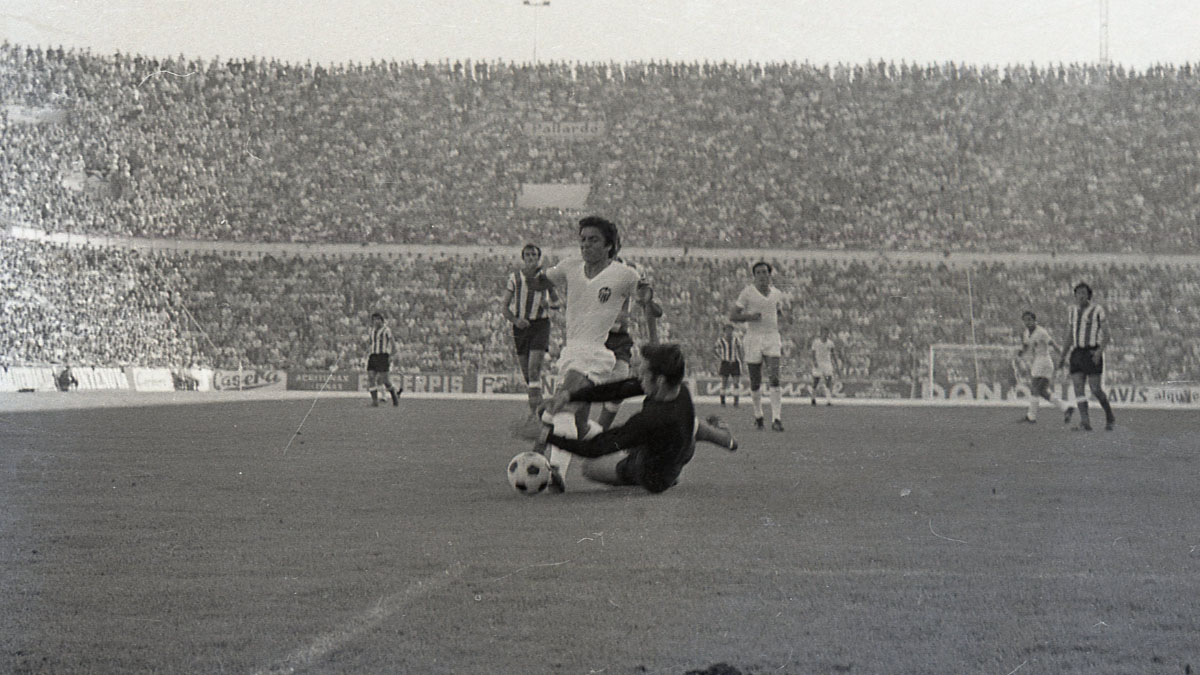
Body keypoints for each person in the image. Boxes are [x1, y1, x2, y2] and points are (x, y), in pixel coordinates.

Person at [526, 216, 643, 488]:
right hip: (572, 352)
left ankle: (555, 470)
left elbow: (647, 300)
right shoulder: (569, 267)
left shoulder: (625, 274)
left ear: (609, 246)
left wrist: (648, 308)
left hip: (597, 352)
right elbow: (538, 284)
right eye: (583, 239)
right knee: (577, 424)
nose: (586, 245)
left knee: (562, 406)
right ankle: (621, 450)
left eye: (593, 240)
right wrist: (533, 273)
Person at [537, 343, 737, 494]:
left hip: (652, 476)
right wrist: (570, 396)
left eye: (642, 373)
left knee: (589, 468)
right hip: (682, 448)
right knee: (691, 425)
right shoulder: (677, 389)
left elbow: (595, 448)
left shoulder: (651, 419)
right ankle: (724, 439)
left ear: (658, 380)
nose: (638, 377)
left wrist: (547, 435)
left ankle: (673, 474)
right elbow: (617, 389)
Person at [596, 257, 662, 430]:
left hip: (619, 340)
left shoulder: (633, 277)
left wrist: (647, 300)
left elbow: (655, 309)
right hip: (595, 336)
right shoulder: (597, 275)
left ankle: (599, 431)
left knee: (618, 389)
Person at [730, 261, 788, 431]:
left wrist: (782, 314)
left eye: (765, 272)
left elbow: (778, 311)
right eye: (759, 272)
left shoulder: (777, 294)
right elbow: (733, 315)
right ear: (754, 276)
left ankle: (776, 419)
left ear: (770, 275)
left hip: (772, 337)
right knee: (755, 381)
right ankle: (758, 415)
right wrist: (749, 317)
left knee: (775, 377)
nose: (763, 275)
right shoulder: (747, 293)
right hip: (753, 339)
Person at [500, 243, 556, 416]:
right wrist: (516, 321)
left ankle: (536, 416)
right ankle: (542, 411)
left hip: (540, 325)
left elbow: (558, 302)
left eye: (534, 255)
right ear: (523, 258)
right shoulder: (515, 277)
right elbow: (504, 307)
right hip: (521, 328)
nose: (531, 258)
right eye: (528, 255)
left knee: (533, 370)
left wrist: (549, 304)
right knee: (529, 377)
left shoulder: (545, 277)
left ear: (538, 258)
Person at [1057, 282, 1116, 431]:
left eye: (1083, 293)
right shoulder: (1072, 311)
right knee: (1078, 388)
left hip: (1092, 351)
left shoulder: (1097, 310)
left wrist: (1098, 352)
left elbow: (1107, 334)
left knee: (1095, 389)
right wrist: (1063, 356)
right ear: (1075, 295)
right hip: (1077, 353)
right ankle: (1085, 422)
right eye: (1078, 293)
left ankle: (1109, 415)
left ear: (1088, 295)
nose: (1080, 296)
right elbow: (1070, 335)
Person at [1017, 311, 1073, 424]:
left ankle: (1031, 417)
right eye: (1025, 320)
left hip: (1044, 361)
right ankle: (1066, 408)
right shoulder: (1026, 333)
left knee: (1035, 388)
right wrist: (1020, 353)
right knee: (1042, 391)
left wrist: (1063, 358)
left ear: (1034, 320)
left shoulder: (1041, 332)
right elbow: (1026, 346)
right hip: (1038, 361)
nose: (1027, 322)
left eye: (1029, 320)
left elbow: (1053, 345)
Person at [366, 312, 401, 407]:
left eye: (378, 319)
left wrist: (392, 356)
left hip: (383, 356)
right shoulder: (371, 330)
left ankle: (394, 395)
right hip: (373, 356)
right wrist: (367, 351)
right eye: (374, 320)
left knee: (385, 380)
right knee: (371, 377)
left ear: (381, 320)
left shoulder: (386, 330)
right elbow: (371, 343)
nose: (376, 321)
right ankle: (375, 401)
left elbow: (393, 344)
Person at [714, 323, 743, 407]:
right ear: (724, 331)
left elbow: (740, 350)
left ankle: (736, 402)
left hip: (735, 362)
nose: (729, 332)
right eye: (727, 330)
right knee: (724, 383)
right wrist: (719, 357)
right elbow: (715, 349)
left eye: (730, 330)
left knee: (736, 383)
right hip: (725, 362)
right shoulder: (721, 340)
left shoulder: (736, 340)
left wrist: (741, 360)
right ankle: (723, 402)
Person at [809, 326, 838, 406]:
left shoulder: (830, 343)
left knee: (828, 380)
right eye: (824, 333)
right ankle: (813, 398)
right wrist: (814, 362)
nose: (826, 334)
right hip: (818, 363)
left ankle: (828, 400)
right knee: (816, 381)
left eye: (827, 333)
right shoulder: (816, 342)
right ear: (821, 333)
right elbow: (813, 353)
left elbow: (833, 354)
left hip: (827, 363)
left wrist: (835, 363)